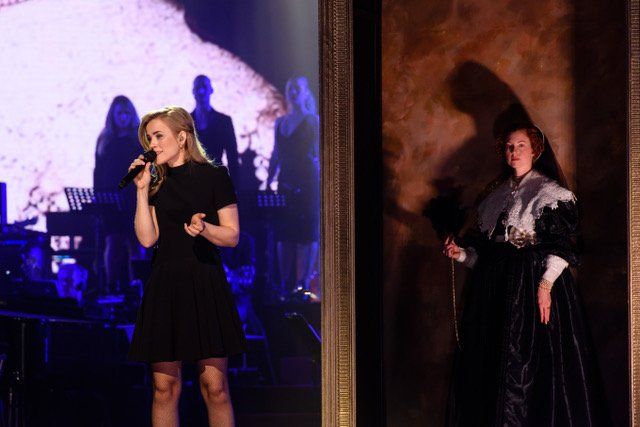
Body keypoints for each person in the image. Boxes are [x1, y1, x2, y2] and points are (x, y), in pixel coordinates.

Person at [442, 123, 609, 425]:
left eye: (521, 145)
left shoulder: (550, 193)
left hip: (532, 288)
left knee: (529, 368)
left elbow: (563, 247)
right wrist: (461, 254)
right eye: (509, 146)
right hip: (495, 294)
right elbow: (485, 259)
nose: (514, 151)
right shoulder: (493, 198)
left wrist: (545, 285)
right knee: (492, 364)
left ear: (535, 150)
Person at [127, 106, 246, 426]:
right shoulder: (156, 183)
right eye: (149, 138)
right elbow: (147, 239)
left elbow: (232, 235)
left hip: (204, 281)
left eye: (159, 136)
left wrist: (204, 229)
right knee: (164, 389)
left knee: (215, 388)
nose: (152, 144)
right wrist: (141, 191)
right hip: (165, 284)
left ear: (182, 137)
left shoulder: (214, 177)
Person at [266, 76, 320, 297]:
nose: (293, 92)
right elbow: (276, 154)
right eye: (290, 89)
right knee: (284, 234)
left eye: (297, 89)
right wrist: (269, 180)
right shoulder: (280, 122)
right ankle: (285, 285)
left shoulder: (314, 121)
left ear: (306, 92)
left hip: (308, 183)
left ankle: (303, 282)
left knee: (307, 234)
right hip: (286, 182)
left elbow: (319, 154)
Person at [94, 95, 141, 293]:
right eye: (119, 113)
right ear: (113, 115)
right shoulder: (105, 139)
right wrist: (98, 197)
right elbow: (98, 170)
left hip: (132, 199)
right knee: (112, 242)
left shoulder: (138, 140)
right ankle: (111, 287)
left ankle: (135, 287)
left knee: (134, 244)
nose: (123, 117)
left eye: (126, 113)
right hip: (110, 199)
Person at [191, 75, 239, 183]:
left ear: (211, 90)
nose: (201, 91)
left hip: (216, 182)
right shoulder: (185, 123)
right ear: (193, 91)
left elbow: (232, 157)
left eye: (204, 87)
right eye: (198, 87)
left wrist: (234, 187)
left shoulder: (224, 121)